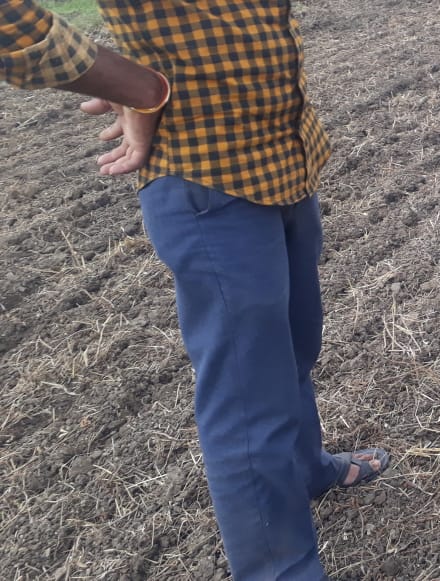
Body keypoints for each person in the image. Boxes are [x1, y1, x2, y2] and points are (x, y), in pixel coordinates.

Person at [1, 1, 389, 578]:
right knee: (248, 400)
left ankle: (305, 469)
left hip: (286, 161)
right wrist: (137, 86)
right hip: (209, 178)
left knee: (293, 348)